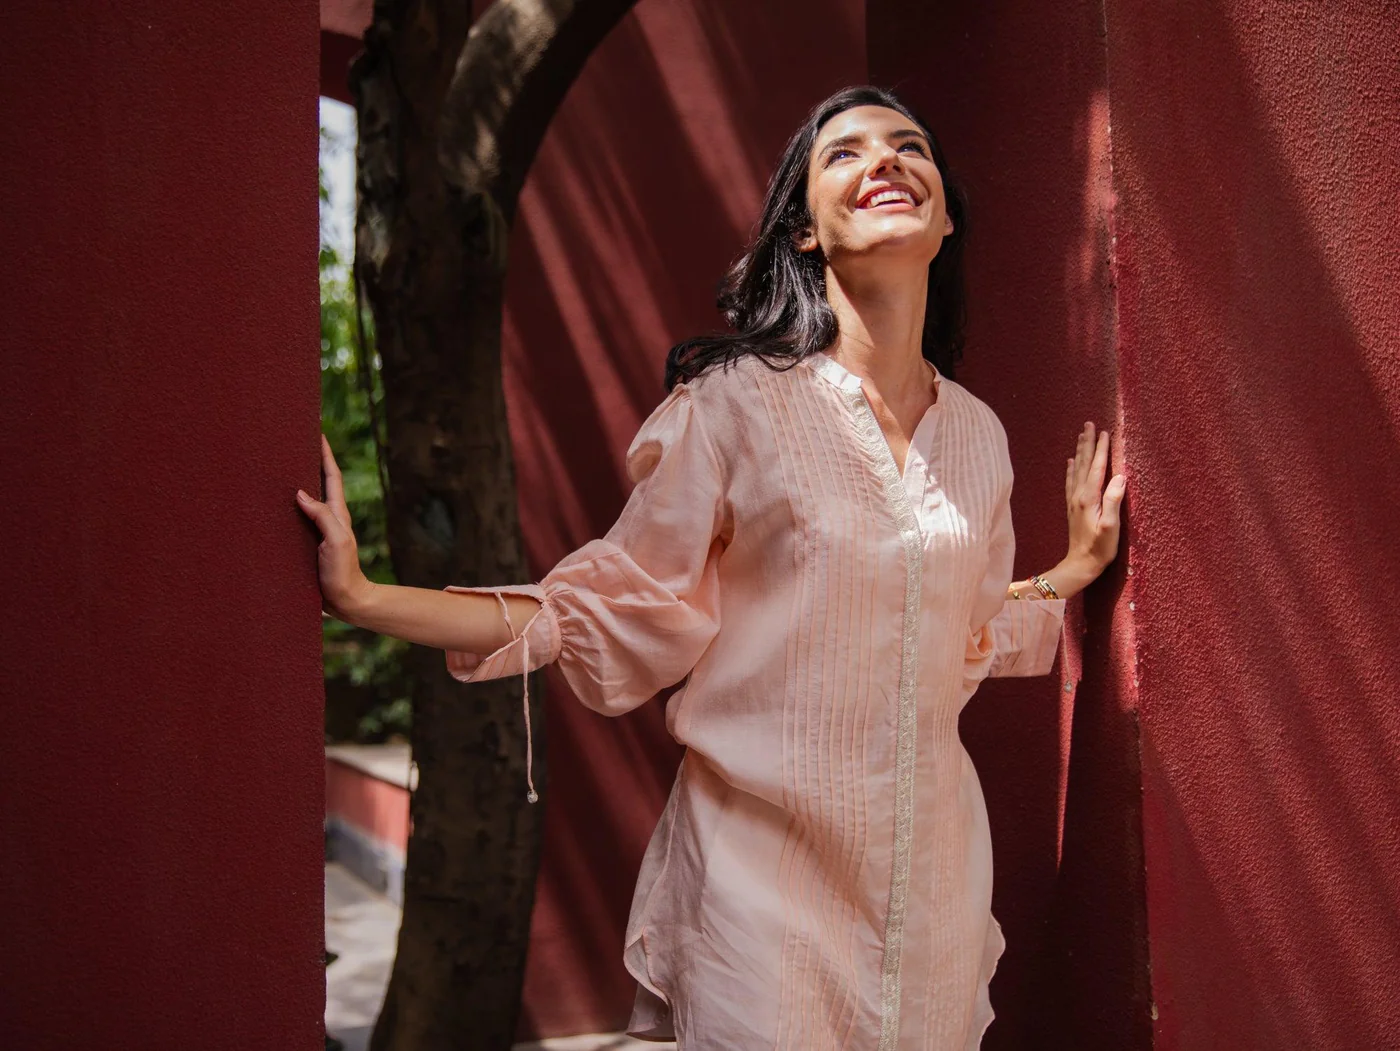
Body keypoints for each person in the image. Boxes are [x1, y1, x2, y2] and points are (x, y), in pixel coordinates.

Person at [297, 85, 1124, 1050]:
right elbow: (600, 605)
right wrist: (363, 597)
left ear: (944, 220)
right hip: (759, 892)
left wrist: (1072, 570)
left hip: (932, 885)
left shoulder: (978, 435)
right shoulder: (733, 406)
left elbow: (958, 627)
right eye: (844, 152)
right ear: (805, 232)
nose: (886, 159)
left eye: (910, 146)